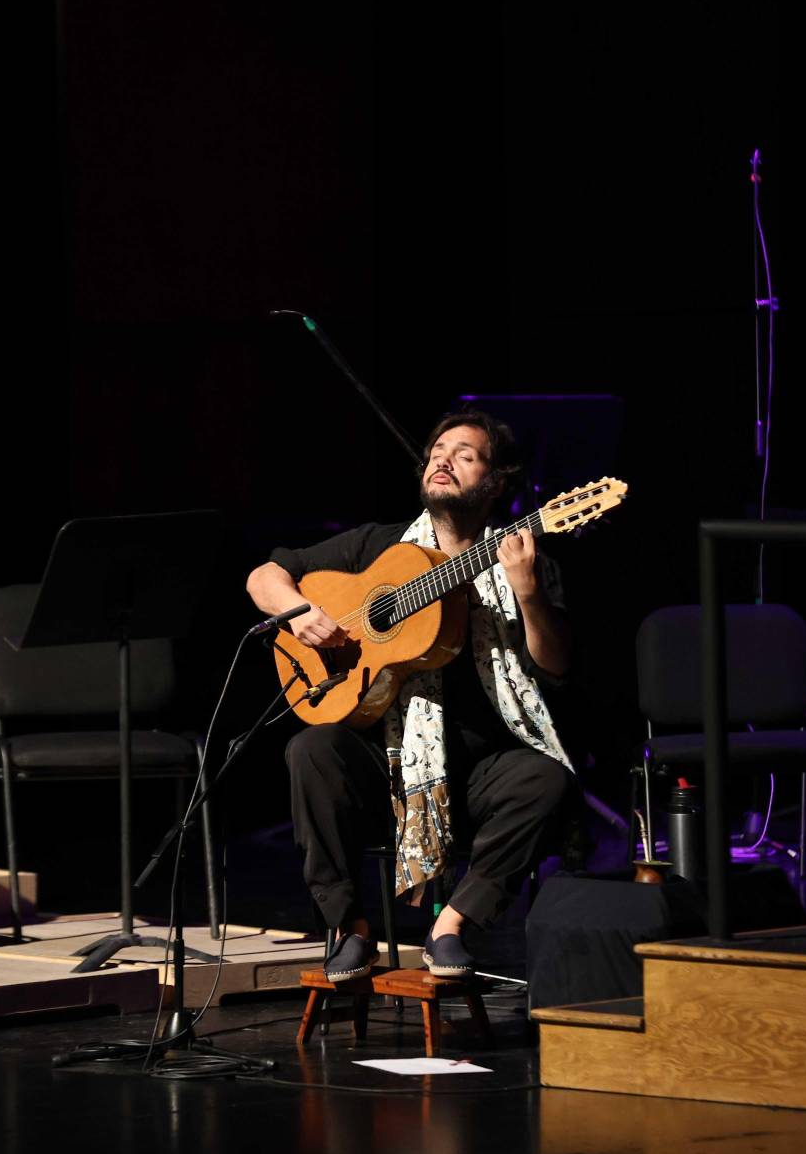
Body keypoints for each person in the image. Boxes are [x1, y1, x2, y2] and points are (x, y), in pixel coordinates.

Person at [245, 410, 579, 983]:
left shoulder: (526, 561)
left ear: (495, 482)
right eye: (437, 452)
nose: (443, 461)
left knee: (547, 779)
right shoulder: (379, 547)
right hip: (388, 765)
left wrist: (527, 594)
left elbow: (556, 668)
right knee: (311, 750)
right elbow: (264, 576)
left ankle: (451, 925)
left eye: (465, 455)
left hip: (480, 770)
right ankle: (350, 928)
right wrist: (298, 613)